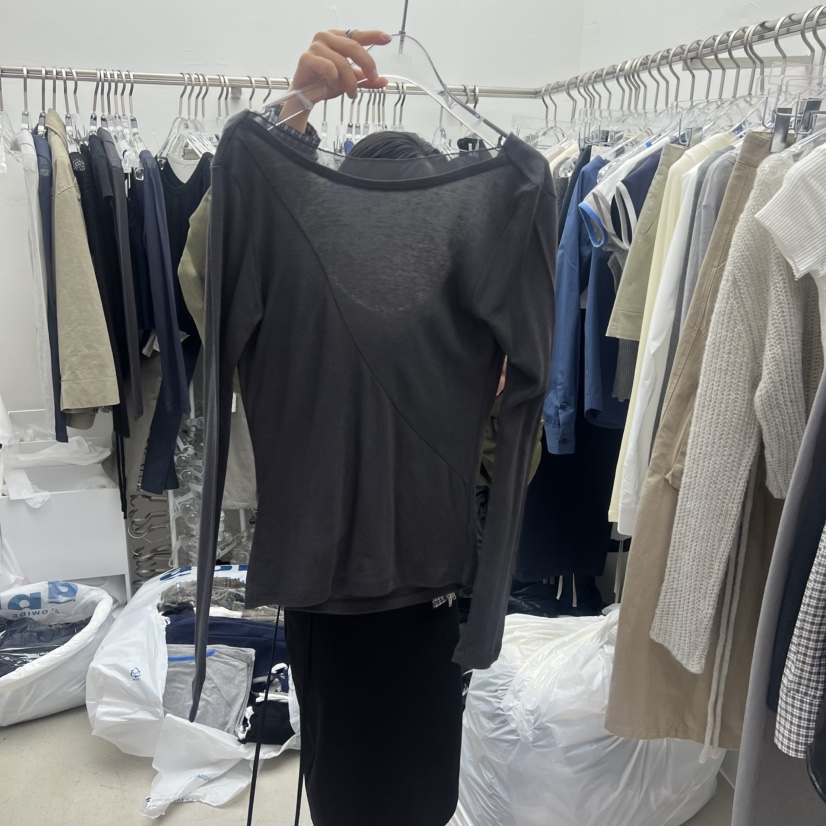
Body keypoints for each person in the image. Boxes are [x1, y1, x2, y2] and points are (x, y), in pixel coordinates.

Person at [181, 29, 547, 826]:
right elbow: (212, 271)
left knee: (402, 791)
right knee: (372, 793)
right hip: (355, 584)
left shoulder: (476, 252)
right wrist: (290, 114)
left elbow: (516, 440)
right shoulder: (290, 248)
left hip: (402, 583)